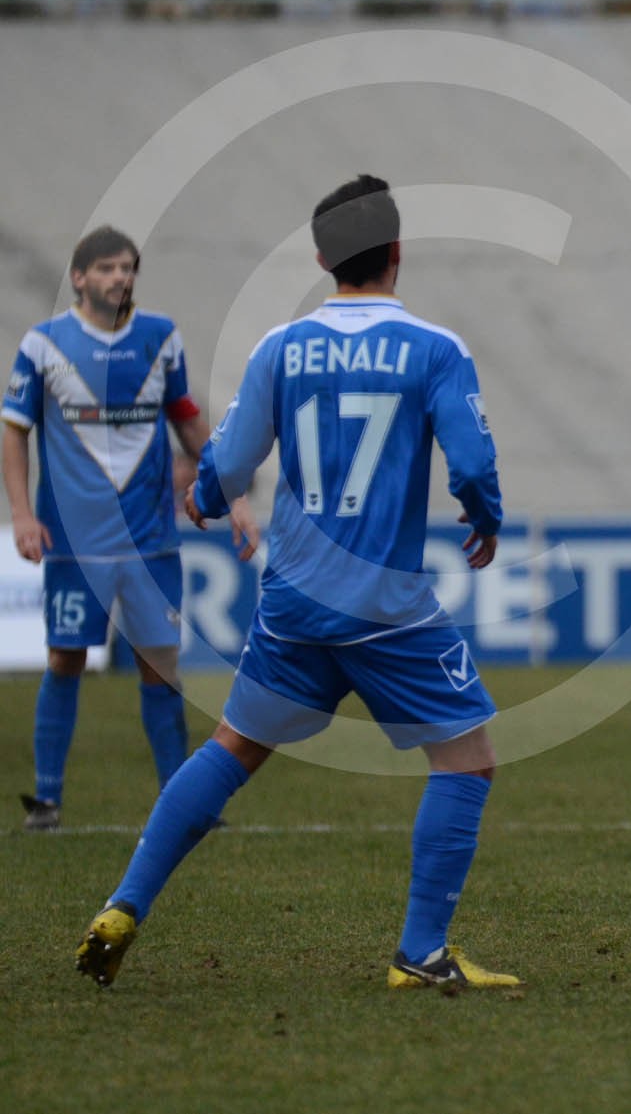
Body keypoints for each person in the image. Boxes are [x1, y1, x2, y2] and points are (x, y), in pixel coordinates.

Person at [75, 175, 514, 992]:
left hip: (295, 601)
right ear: (396, 253)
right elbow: (475, 459)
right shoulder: (434, 348)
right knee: (467, 760)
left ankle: (124, 901)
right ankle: (420, 953)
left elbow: (230, 461)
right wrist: (482, 512)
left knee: (233, 746)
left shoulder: (281, 346)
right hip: (386, 608)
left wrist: (206, 498)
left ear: (321, 257)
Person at [4, 227, 210, 832]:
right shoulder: (45, 345)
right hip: (74, 539)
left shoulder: (160, 338)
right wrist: (21, 513)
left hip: (150, 537)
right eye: (108, 269)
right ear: (79, 277)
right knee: (66, 658)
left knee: (160, 665)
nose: (120, 278)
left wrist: (228, 485)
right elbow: (14, 431)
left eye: (128, 269)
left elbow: (185, 420)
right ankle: (47, 801)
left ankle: (179, 802)